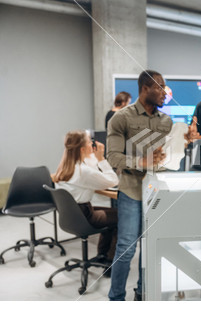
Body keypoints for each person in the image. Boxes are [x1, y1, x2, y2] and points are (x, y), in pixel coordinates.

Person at [107, 70, 172, 301]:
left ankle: (142, 294)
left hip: (156, 192)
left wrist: (187, 141)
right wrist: (141, 162)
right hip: (131, 191)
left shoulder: (166, 121)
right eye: (160, 87)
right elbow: (113, 157)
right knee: (126, 248)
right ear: (145, 88)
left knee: (151, 247)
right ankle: (116, 299)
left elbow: (171, 155)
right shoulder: (121, 118)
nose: (165, 92)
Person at [54, 130, 119, 269]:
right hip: (84, 217)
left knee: (111, 213)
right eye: (90, 141)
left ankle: (103, 255)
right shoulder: (83, 172)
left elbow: (91, 168)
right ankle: (111, 262)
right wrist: (101, 158)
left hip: (71, 216)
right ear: (83, 148)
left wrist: (93, 156)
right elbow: (113, 180)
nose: (93, 143)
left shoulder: (64, 167)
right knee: (121, 216)